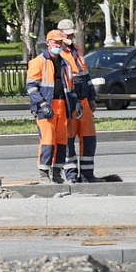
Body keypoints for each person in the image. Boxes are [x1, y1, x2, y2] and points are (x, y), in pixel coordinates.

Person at [26, 30, 81, 184]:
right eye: (56, 42)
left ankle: (57, 173)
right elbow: (31, 87)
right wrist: (42, 104)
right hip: (47, 107)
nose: (58, 45)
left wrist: (75, 101)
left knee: (62, 142)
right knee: (48, 141)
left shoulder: (65, 63)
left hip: (63, 106)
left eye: (60, 43)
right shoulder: (38, 62)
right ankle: (44, 173)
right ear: (48, 42)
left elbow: (69, 87)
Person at [58, 19, 103, 183]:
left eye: (72, 33)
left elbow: (85, 75)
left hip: (83, 101)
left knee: (89, 138)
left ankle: (87, 175)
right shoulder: (59, 54)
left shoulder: (77, 50)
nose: (70, 36)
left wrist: (92, 97)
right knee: (68, 141)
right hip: (69, 104)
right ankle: (71, 176)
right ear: (60, 34)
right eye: (67, 33)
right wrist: (72, 100)